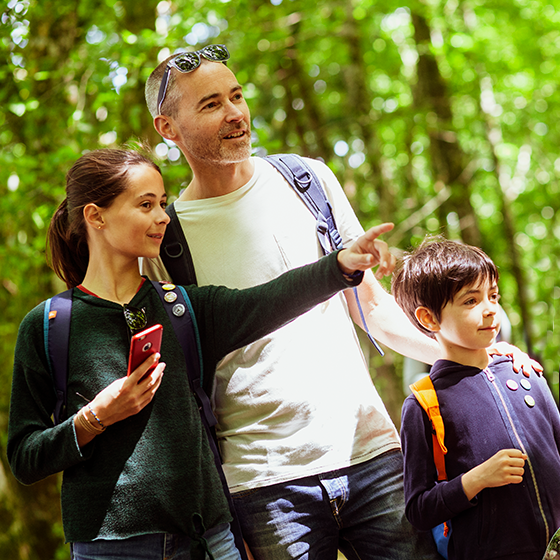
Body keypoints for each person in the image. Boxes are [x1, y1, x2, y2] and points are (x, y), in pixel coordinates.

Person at [143, 45, 538, 560]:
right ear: (168, 129)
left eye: (237, 96)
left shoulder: (306, 181)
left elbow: (370, 306)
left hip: (370, 451)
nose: (236, 113)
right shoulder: (167, 240)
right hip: (264, 483)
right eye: (211, 104)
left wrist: (473, 356)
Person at [7, 148, 399, 560]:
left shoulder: (184, 308)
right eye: (145, 205)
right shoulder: (50, 324)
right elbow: (24, 456)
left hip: (210, 541)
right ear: (95, 216)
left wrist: (340, 265)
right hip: (111, 548)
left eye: (162, 203)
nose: (163, 217)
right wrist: (96, 417)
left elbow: (268, 300)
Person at [392, 238, 560, 560]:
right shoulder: (425, 404)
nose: (490, 309)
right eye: (471, 301)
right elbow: (418, 508)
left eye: (493, 296)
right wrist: (475, 480)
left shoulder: (526, 373)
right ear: (430, 319)